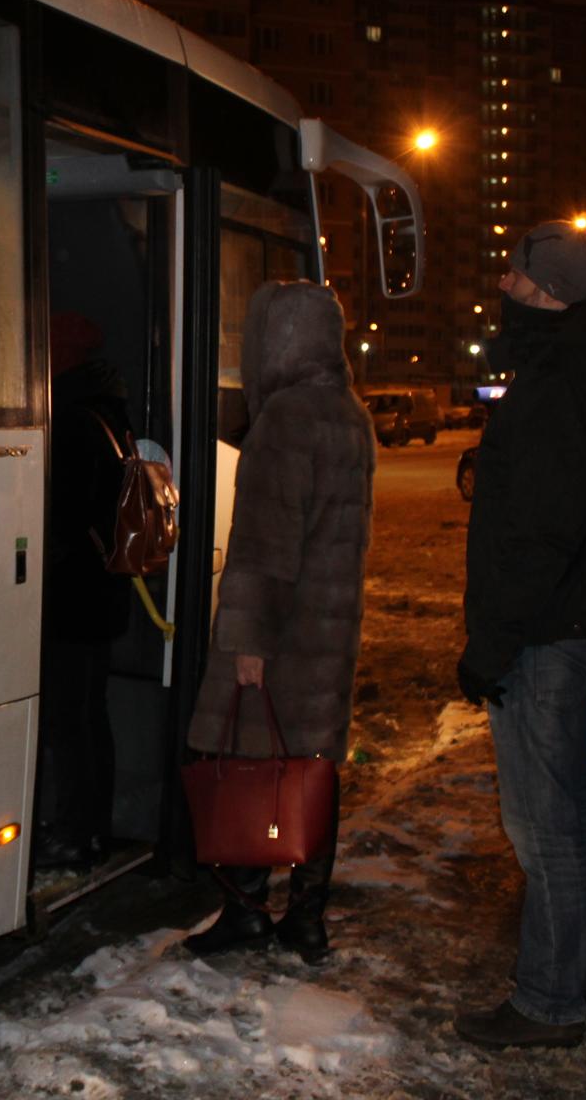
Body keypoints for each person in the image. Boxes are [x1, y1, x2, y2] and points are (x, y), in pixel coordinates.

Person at [452, 221, 586, 1049]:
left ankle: (549, 1000)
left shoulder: (563, 374)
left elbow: (542, 529)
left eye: (516, 274)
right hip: (566, 616)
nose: (504, 282)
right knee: (569, 809)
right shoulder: (579, 358)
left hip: (544, 627)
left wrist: (495, 643)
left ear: (546, 289)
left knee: (542, 824)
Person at [183, 282, 375, 965]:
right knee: (311, 769)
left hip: (283, 633)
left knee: (251, 763)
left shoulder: (286, 419)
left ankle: (245, 911)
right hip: (326, 634)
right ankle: (307, 916)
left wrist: (248, 642)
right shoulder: (348, 414)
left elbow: (264, 546)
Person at [34, 312, 134, 868]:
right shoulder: (109, 409)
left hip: (74, 599)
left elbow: (64, 519)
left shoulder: (71, 419)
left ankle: (75, 832)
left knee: (69, 722)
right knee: (91, 716)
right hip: (103, 596)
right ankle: (94, 827)